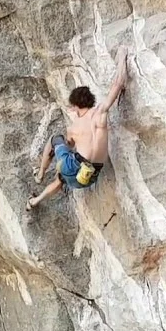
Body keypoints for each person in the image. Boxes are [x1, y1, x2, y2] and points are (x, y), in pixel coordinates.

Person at [26, 46, 130, 211]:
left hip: (74, 169)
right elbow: (118, 83)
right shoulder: (100, 113)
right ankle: (34, 200)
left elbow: (68, 144)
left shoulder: (73, 128)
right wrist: (122, 56)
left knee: (55, 140)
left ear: (75, 106)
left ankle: (39, 177)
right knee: (62, 179)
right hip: (90, 176)